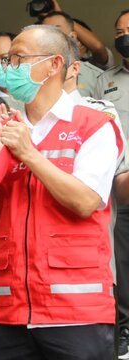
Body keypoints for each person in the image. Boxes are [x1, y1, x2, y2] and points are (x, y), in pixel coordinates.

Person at [0, 25, 122, 360]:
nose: (8, 67)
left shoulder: (94, 123)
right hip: (10, 309)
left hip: (76, 310)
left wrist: (29, 154)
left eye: (18, 58)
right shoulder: (2, 126)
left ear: (53, 65)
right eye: (7, 60)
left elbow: (85, 201)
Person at [95, 8, 129, 359]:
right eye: (118, 32)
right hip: (122, 186)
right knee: (121, 261)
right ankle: (124, 329)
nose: (124, 37)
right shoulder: (106, 82)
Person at [41, 11, 102, 98]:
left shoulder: (95, 77)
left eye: (57, 30)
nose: (50, 35)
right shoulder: (32, 71)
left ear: (72, 37)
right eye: (46, 31)